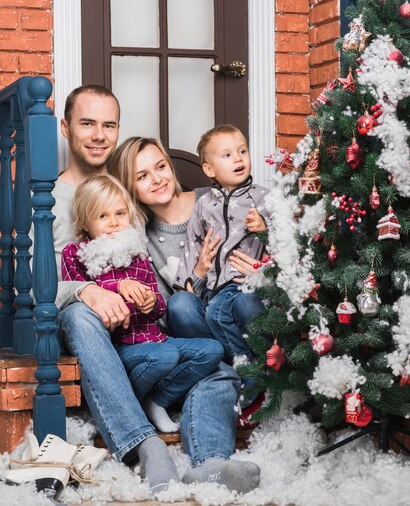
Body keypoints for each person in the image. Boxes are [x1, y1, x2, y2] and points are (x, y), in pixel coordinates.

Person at [54, 85, 261, 494]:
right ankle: (147, 446)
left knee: (215, 366)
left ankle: (211, 465)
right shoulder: (67, 208)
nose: (98, 134)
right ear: (65, 127)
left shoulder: (211, 201)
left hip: (202, 327)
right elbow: (40, 283)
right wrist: (86, 291)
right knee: (189, 321)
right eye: (87, 123)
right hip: (144, 332)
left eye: (108, 124)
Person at [61, 174, 224, 434]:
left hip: (156, 338)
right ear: (85, 222)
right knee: (166, 356)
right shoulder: (76, 254)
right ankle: (129, 407)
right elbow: (78, 295)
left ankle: (157, 399)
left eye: (120, 213)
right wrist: (118, 287)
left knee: (212, 350)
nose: (114, 223)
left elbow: (160, 307)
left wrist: (151, 302)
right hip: (122, 346)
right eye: (102, 216)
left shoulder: (138, 254)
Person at [172, 125, 269, 372]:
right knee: (200, 307)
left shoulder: (263, 199)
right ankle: (240, 368)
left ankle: (246, 369)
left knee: (217, 312)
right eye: (227, 155)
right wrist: (188, 281)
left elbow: (286, 239)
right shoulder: (204, 204)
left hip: (243, 283)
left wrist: (264, 226)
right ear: (209, 169)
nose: (238, 158)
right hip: (212, 288)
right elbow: (194, 242)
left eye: (242, 151)